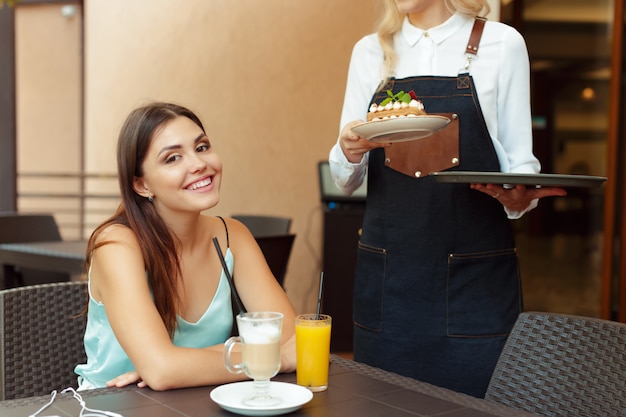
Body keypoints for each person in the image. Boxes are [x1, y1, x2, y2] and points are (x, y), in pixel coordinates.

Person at [329, 0, 567, 397]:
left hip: (475, 284)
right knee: (383, 404)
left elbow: (521, 167)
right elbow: (345, 179)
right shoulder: (369, 51)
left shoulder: (502, 43)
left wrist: (517, 198)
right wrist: (348, 149)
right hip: (391, 286)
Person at [74, 102, 296, 391]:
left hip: (202, 399)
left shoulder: (233, 236)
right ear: (141, 185)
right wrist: (271, 358)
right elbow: (163, 372)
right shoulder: (116, 245)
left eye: (201, 147)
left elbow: (291, 338)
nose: (198, 164)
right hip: (112, 406)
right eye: (173, 158)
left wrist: (179, 365)